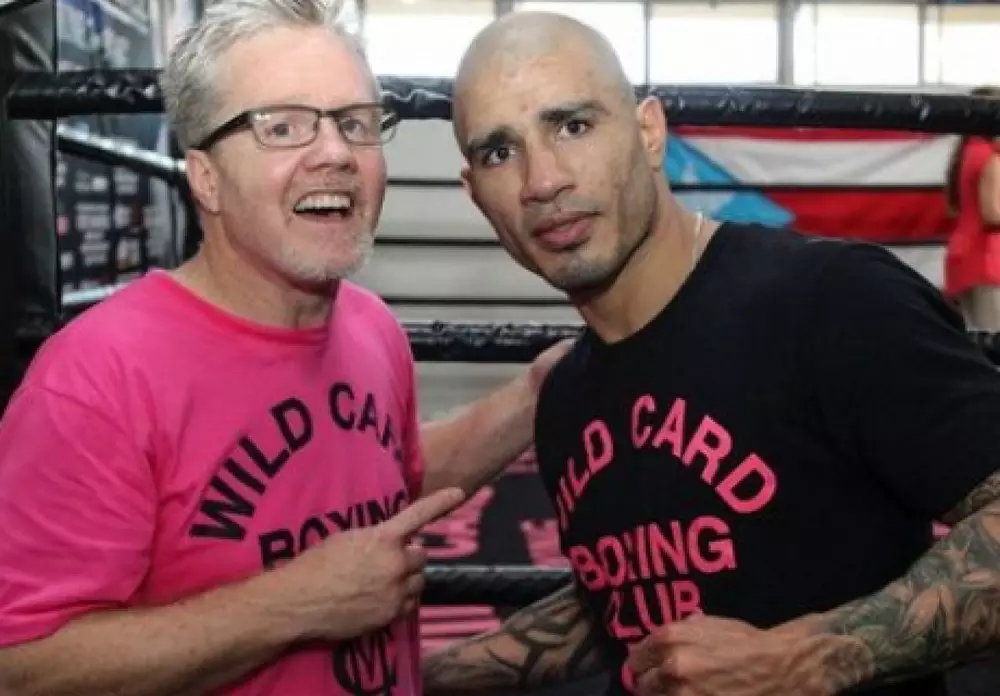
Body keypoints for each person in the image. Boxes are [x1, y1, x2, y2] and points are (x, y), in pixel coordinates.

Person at [422, 11, 1000, 696]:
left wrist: (810, 657)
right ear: (474, 193)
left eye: (573, 126)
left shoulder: (830, 301)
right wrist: (413, 677)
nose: (542, 180)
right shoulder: (567, 399)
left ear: (649, 132)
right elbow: (630, 594)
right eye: (499, 152)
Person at [0, 1, 568, 694]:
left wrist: (539, 393)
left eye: (354, 122)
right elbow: (19, 668)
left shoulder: (370, 327)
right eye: (282, 127)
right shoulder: (96, 379)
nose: (335, 153)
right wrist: (294, 605)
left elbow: (380, 488)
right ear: (205, 178)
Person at [943, 86, 1000, 331]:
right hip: (985, 260)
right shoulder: (990, 156)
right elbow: (992, 213)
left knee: (974, 339)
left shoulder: (967, 152)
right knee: (993, 339)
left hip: (963, 259)